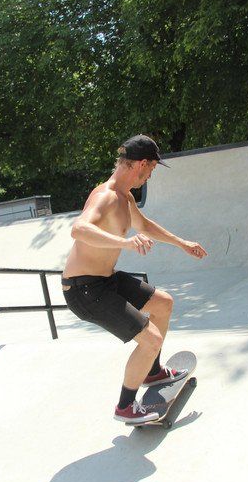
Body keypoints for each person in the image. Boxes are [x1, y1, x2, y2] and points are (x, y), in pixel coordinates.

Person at [62, 134, 207, 424]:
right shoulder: (105, 196)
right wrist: (125, 243)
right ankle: (125, 406)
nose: (151, 175)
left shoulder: (125, 196)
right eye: (151, 168)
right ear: (141, 164)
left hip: (105, 280)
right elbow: (79, 229)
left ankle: (152, 372)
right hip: (84, 290)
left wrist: (181, 243)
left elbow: (144, 225)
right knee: (150, 339)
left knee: (163, 303)